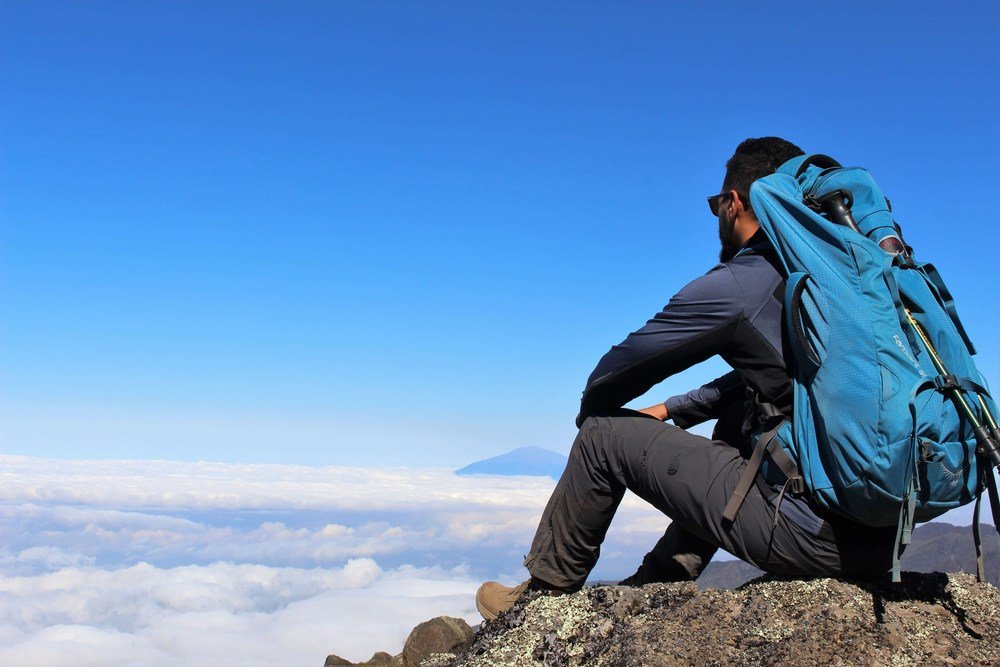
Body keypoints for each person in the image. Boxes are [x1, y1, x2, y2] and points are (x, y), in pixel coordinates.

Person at [476, 137, 901, 621]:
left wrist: (596, 417)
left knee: (601, 437)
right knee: (744, 415)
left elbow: (614, 374)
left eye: (716, 204)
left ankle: (542, 602)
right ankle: (659, 582)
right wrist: (673, 409)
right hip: (883, 533)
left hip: (812, 534)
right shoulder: (835, 281)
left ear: (734, 202)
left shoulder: (742, 281)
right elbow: (778, 382)